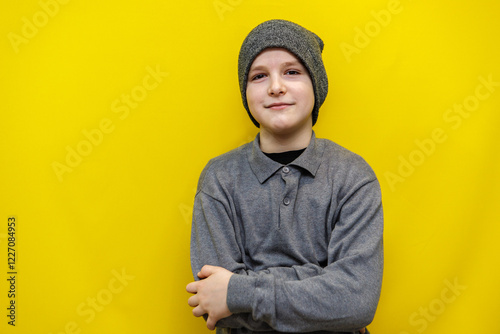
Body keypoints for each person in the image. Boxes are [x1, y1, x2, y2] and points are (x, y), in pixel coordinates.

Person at [186, 19, 383, 334]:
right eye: (259, 75)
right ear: (246, 92)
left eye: (292, 72)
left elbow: (356, 302)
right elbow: (214, 304)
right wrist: (320, 284)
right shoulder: (219, 178)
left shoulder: (353, 176)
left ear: (315, 85)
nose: (276, 86)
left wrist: (239, 291)